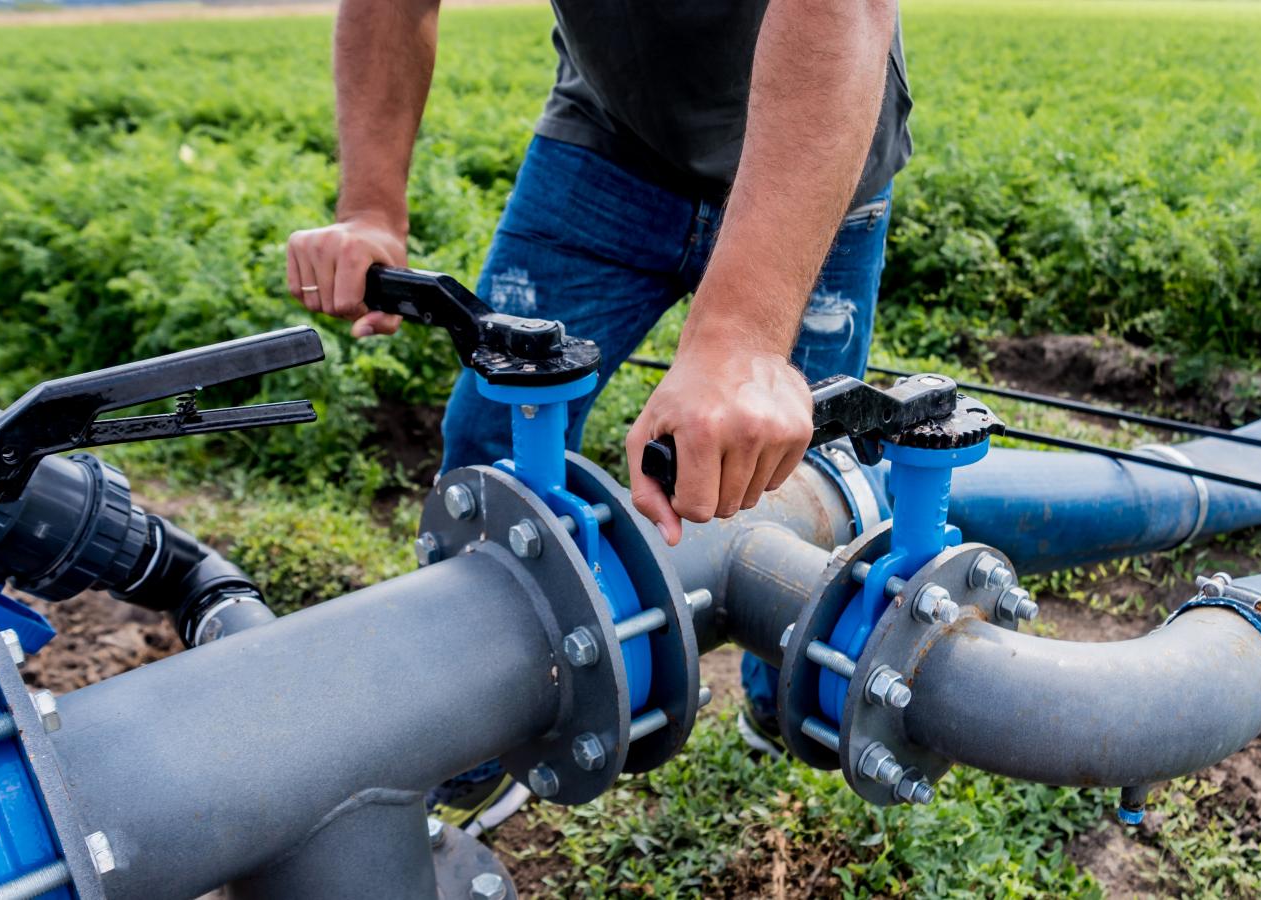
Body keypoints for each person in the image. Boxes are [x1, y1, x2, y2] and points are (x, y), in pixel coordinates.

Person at [288, 0, 911, 827]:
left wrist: (742, 337)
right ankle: (478, 715)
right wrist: (371, 207)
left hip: (817, 145)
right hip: (610, 143)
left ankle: (789, 696)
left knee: (802, 482)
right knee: (492, 438)